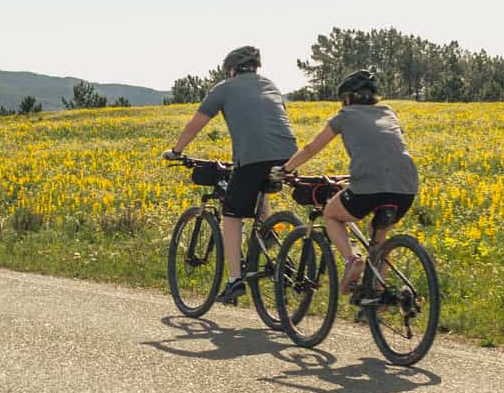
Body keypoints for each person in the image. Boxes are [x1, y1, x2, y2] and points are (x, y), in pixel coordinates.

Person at [164, 45, 300, 304]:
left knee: (232, 213)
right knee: (258, 188)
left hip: (253, 157)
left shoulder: (225, 88)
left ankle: (234, 279)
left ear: (232, 69)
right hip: (289, 157)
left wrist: (176, 150)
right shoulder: (270, 84)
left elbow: (197, 123)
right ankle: (270, 236)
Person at [279, 68, 419, 302]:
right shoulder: (388, 112)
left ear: (347, 98)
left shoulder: (344, 116)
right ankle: (377, 294)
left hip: (369, 184)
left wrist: (285, 170)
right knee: (379, 237)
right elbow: (386, 148)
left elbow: (311, 148)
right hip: (406, 185)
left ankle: (352, 259)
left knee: (331, 215)